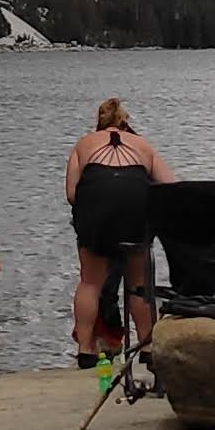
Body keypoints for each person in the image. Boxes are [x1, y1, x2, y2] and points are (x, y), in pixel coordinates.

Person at [63, 98, 176, 364]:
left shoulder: (83, 144)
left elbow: (71, 194)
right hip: (135, 208)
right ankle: (147, 346)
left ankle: (86, 349)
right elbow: (170, 186)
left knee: (90, 282)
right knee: (138, 282)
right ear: (125, 122)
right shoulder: (142, 145)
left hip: (95, 209)